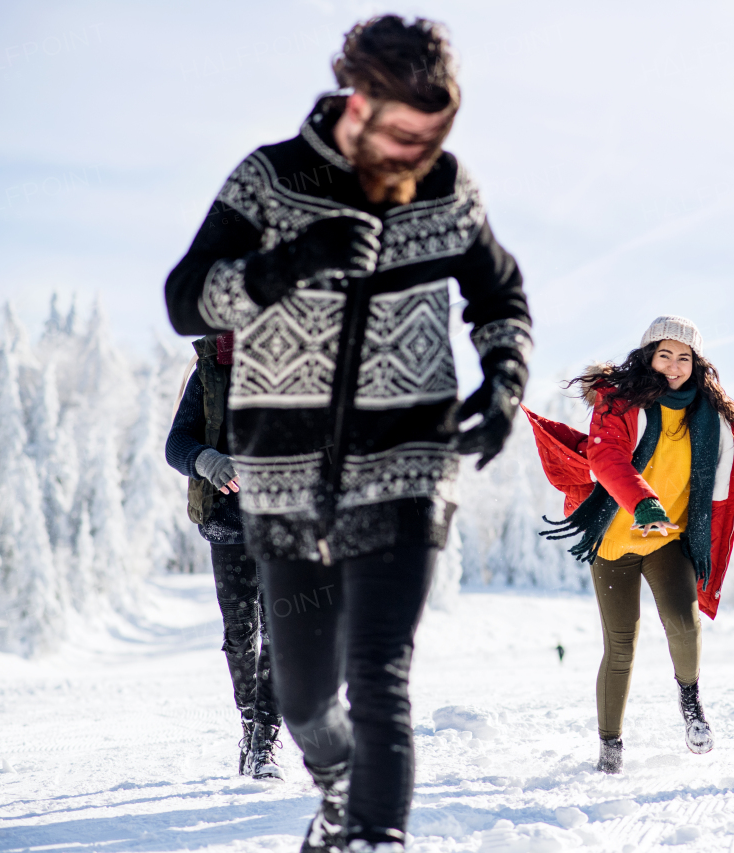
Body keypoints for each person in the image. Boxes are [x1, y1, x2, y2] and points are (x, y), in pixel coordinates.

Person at [164, 16, 531, 853]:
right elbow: (186, 297)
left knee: (379, 672)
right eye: (405, 129)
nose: (417, 150)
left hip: (409, 459)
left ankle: (374, 836)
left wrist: (505, 380)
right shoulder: (271, 178)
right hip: (284, 472)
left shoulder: (444, 186)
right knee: (300, 694)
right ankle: (336, 791)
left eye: (434, 133)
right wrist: (282, 265)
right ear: (360, 97)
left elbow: (500, 296)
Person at [528, 316, 734, 774]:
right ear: (648, 355)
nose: (673, 364)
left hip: (668, 538)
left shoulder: (710, 412)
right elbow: (605, 457)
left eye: (683, 357)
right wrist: (641, 501)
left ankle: (691, 704)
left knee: (684, 625)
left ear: (696, 363)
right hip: (615, 540)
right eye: (664, 354)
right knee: (621, 645)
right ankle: (610, 745)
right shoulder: (618, 402)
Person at [165, 332, 283, 781]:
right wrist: (206, 460)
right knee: (241, 632)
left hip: (284, 522)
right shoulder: (211, 370)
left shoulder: (303, 364)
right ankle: (250, 723)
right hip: (227, 522)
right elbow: (176, 444)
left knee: (280, 631)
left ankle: (264, 744)